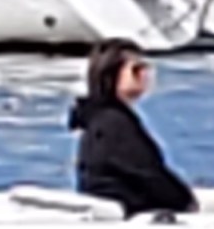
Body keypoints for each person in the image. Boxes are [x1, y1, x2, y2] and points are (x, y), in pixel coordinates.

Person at [69, 37, 197, 216]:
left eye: (146, 69)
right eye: (136, 70)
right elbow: (149, 175)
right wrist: (186, 203)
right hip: (125, 214)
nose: (145, 76)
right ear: (111, 74)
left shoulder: (100, 119)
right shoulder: (113, 125)